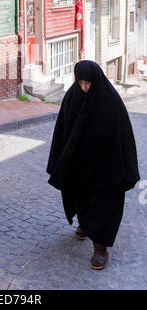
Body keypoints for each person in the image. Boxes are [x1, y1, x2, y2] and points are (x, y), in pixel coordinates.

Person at [46, 60, 140, 270]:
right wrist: (60, 159)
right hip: (79, 164)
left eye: (88, 83)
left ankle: (100, 249)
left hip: (105, 168)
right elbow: (62, 129)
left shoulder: (111, 101)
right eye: (81, 83)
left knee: (103, 205)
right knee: (80, 196)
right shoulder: (73, 96)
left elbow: (122, 136)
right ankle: (84, 225)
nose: (85, 87)